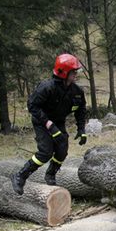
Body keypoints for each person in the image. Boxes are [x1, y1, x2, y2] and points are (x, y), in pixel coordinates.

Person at [11, 53, 88, 195]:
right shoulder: (47, 87)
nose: (76, 74)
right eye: (73, 72)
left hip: (58, 122)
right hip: (41, 122)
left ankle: (50, 174)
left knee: (62, 149)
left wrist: (81, 129)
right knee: (45, 152)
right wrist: (48, 124)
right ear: (64, 73)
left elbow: (81, 110)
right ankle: (20, 176)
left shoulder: (76, 91)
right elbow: (32, 106)